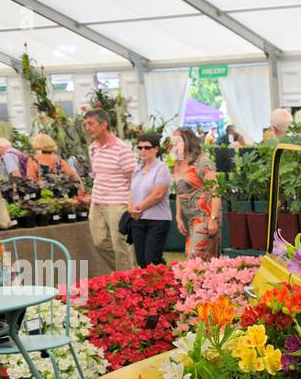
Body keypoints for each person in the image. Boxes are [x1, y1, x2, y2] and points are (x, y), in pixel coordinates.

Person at [79, 108, 136, 274]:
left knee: (120, 244)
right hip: (97, 201)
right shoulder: (93, 148)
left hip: (118, 202)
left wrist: (132, 203)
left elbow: (134, 179)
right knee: (99, 242)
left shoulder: (121, 149)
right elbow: (99, 175)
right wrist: (91, 196)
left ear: (103, 124)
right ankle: (125, 271)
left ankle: (127, 279)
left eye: (91, 124)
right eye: (86, 125)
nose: (88, 128)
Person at [170, 127, 220, 260]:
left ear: (188, 141)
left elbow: (216, 191)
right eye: (173, 140)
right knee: (200, 261)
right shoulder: (177, 163)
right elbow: (180, 192)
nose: (174, 143)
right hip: (191, 220)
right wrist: (178, 217)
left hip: (205, 217)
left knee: (194, 258)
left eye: (178, 140)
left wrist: (213, 219)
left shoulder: (202, 162)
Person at [128, 133, 171, 267]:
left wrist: (139, 208)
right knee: (141, 260)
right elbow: (132, 191)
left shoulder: (161, 168)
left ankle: (164, 283)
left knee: (152, 259)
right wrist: (130, 208)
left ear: (156, 149)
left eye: (147, 147)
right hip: (138, 220)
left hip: (157, 220)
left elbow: (158, 194)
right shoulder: (137, 168)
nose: (143, 151)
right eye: (140, 148)